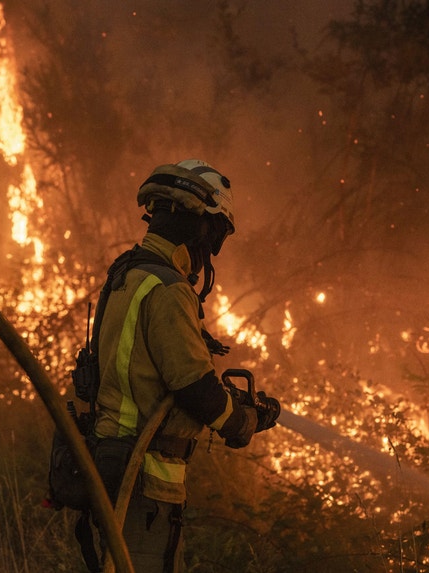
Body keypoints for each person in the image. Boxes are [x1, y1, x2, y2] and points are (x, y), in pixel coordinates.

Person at [89, 159, 280, 572]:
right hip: (142, 477)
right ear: (201, 227)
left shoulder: (128, 273)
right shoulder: (168, 289)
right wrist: (241, 421)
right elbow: (194, 387)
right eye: (216, 235)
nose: (210, 251)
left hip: (113, 464)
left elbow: (152, 370)